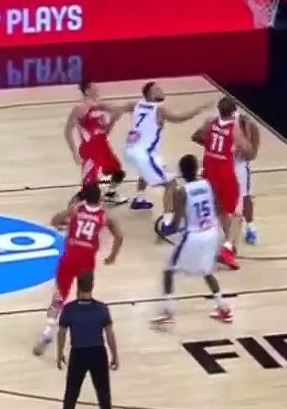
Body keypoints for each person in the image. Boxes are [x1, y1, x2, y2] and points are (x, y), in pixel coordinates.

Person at [35, 184, 124, 355]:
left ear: (83, 197)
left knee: (58, 297)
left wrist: (67, 222)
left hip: (70, 257)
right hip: (87, 260)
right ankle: (80, 330)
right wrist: (112, 256)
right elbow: (119, 237)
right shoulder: (104, 217)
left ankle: (48, 332)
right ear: (100, 199)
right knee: (82, 298)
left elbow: (54, 220)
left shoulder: (75, 209)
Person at [151, 154, 232, 326]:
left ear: (181, 171)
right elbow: (219, 209)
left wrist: (165, 229)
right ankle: (223, 307)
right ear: (196, 169)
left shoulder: (181, 191)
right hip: (212, 231)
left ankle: (168, 311)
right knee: (206, 271)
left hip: (194, 235)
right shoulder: (209, 185)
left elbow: (175, 223)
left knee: (168, 270)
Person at [121, 81, 208, 216]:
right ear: (150, 94)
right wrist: (198, 110)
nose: (161, 90)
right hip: (145, 153)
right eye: (157, 89)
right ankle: (168, 221)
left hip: (132, 150)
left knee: (145, 168)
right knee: (170, 183)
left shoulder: (137, 104)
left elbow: (116, 109)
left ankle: (139, 198)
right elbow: (179, 118)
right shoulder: (159, 109)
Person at [55, 270, 119, 409]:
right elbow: (109, 334)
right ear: (92, 286)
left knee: (71, 397)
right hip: (98, 353)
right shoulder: (101, 309)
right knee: (104, 397)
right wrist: (115, 354)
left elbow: (62, 332)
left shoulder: (69, 309)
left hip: (78, 354)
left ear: (78, 286)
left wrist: (59, 353)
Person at [192, 96, 248, 268]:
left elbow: (195, 136)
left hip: (209, 167)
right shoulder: (235, 127)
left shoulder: (210, 122)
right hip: (225, 170)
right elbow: (247, 151)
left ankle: (227, 245)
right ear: (234, 112)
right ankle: (227, 248)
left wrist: (209, 144)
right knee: (238, 213)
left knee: (221, 209)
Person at [64, 80, 126, 204]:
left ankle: (110, 193)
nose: (97, 89)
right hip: (90, 149)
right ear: (86, 91)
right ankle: (71, 212)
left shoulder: (102, 107)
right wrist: (74, 152)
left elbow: (107, 127)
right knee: (88, 187)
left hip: (103, 146)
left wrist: (113, 120)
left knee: (118, 172)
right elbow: (67, 131)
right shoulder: (80, 109)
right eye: (94, 88)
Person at [235, 112, 261, 245]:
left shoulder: (249, 126)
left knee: (246, 199)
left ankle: (250, 228)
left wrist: (244, 137)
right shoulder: (216, 122)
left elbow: (251, 155)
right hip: (221, 164)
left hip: (240, 167)